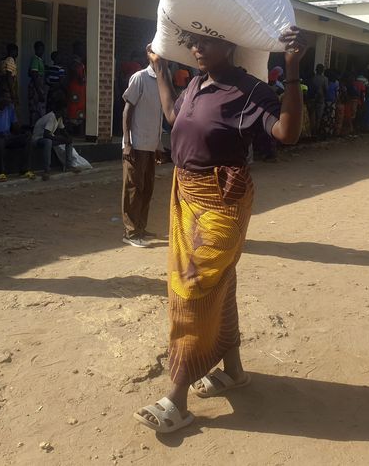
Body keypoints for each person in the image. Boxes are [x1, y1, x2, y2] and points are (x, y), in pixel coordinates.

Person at [133, 26, 306, 433]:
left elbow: (288, 133)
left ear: (230, 44)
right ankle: (233, 370)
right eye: (192, 41)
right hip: (186, 193)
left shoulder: (250, 91)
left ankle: (176, 397)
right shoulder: (197, 82)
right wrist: (160, 72)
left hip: (221, 201)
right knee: (220, 282)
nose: (196, 48)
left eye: (205, 41)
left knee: (193, 287)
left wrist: (293, 70)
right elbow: (176, 118)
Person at [121, 58, 164, 248]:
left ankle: (140, 227)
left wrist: (158, 144)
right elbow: (127, 111)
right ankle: (130, 233)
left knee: (147, 189)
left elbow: (158, 115)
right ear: (150, 56)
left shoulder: (163, 81)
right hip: (136, 144)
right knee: (133, 189)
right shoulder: (139, 78)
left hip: (150, 145)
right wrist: (127, 143)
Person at [0, 87, 34, 182]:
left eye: (9, 98)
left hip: (8, 137)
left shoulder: (10, 108)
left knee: (27, 138)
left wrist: (23, 131)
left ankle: (24, 170)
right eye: (7, 97)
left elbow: (15, 127)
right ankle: (1, 172)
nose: (9, 100)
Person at [31, 104, 76, 181]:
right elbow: (46, 134)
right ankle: (47, 170)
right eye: (64, 111)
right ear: (59, 111)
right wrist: (59, 139)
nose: (66, 112)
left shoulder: (59, 118)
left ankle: (69, 165)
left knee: (69, 141)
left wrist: (68, 138)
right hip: (38, 139)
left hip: (47, 138)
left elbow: (63, 130)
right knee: (48, 142)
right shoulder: (52, 117)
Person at [67, 41, 87, 136]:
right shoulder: (74, 61)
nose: (83, 51)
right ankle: (73, 133)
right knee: (73, 110)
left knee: (80, 110)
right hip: (75, 89)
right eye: (81, 49)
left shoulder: (80, 61)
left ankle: (79, 132)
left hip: (80, 90)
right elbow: (75, 74)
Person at [0, 43, 20, 110]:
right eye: (16, 51)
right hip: (7, 90)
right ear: (12, 51)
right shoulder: (10, 60)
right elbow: (9, 76)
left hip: (1, 89)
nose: (17, 53)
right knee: (9, 110)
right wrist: (13, 94)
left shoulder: (2, 60)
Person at [28, 41, 48, 124]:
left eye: (42, 49)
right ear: (36, 49)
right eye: (39, 49)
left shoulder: (40, 60)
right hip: (36, 88)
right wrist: (39, 92)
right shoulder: (35, 59)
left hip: (40, 87)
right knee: (35, 109)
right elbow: (34, 76)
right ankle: (33, 128)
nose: (41, 51)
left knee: (40, 109)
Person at [319, 70, 339, 139]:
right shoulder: (335, 84)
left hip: (326, 102)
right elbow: (336, 95)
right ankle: (329, 132)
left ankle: (323, 132)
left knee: (325, 117)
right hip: (332, 103)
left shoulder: (326, 84)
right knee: (331, 117)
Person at [310, 64, 327, 136]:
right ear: (322, 70)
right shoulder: (325, 79)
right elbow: (326, 89)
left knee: (312, 116)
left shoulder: (313, 78)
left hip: (312, 98)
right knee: (318, 117)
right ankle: (316, 133)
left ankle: (311, 132)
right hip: (321, 99)